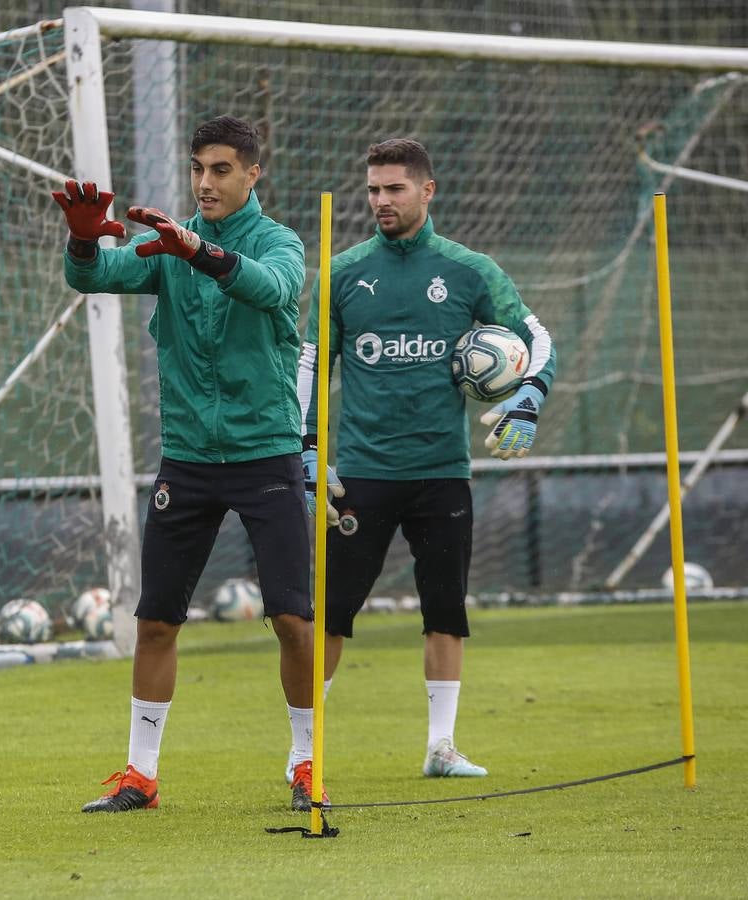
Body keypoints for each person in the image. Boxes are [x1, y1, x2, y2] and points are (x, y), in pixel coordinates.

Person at [52, 115, 325, 813]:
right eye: (198, 168)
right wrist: (84, 238)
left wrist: (198, 251)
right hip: (189, 459)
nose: (205, 181)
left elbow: (272, 288)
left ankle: (305, 764)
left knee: (293, 621)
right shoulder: (167, 241)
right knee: (155, 621)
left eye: (222, 169)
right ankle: (140, 777)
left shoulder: (278, 241)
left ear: (253, 173)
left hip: (267, 452)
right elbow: (95, 276)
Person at [296, 137, 556, 780]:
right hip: (359, 471)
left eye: (394, 189)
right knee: (330, 613)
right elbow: (307, 365)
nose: (381, 201)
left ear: (427, 190)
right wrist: (303, 448)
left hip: (443, 471)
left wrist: (529, 396)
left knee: (446, 608)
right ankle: (306, 754)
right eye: (373, 190)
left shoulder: (471, 271)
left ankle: (441, 748)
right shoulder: (343, 272)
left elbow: (539, 341)